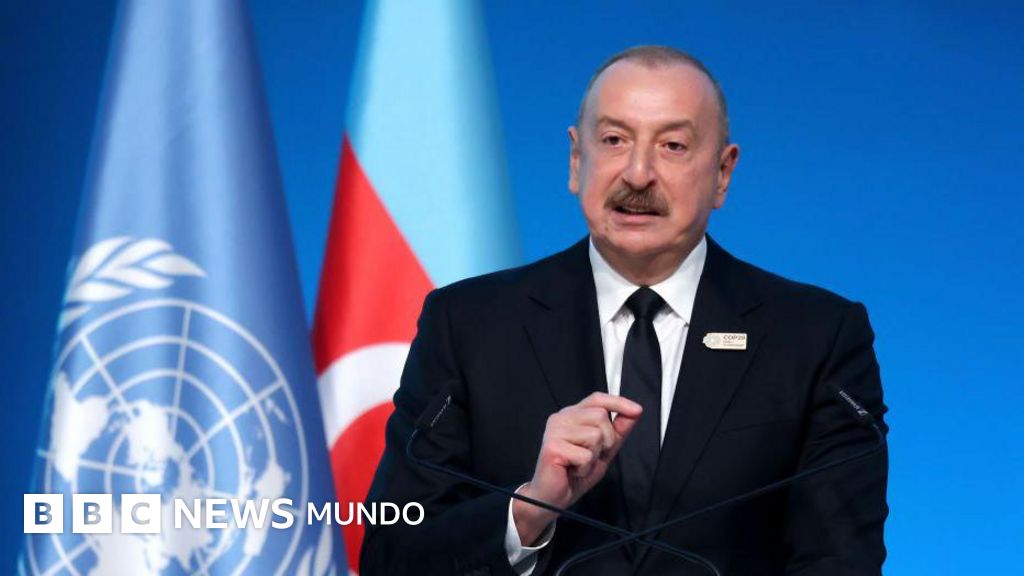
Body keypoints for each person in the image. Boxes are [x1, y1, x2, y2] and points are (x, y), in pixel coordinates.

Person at [360, 45, 888, 575]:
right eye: (614, 140)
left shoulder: (814, 338)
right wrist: (527, 510)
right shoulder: (468, 324)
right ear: (576, 160)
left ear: (723, 173)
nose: (637, 175)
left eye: (673, 146)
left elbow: (842, 561)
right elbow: (389, 556)